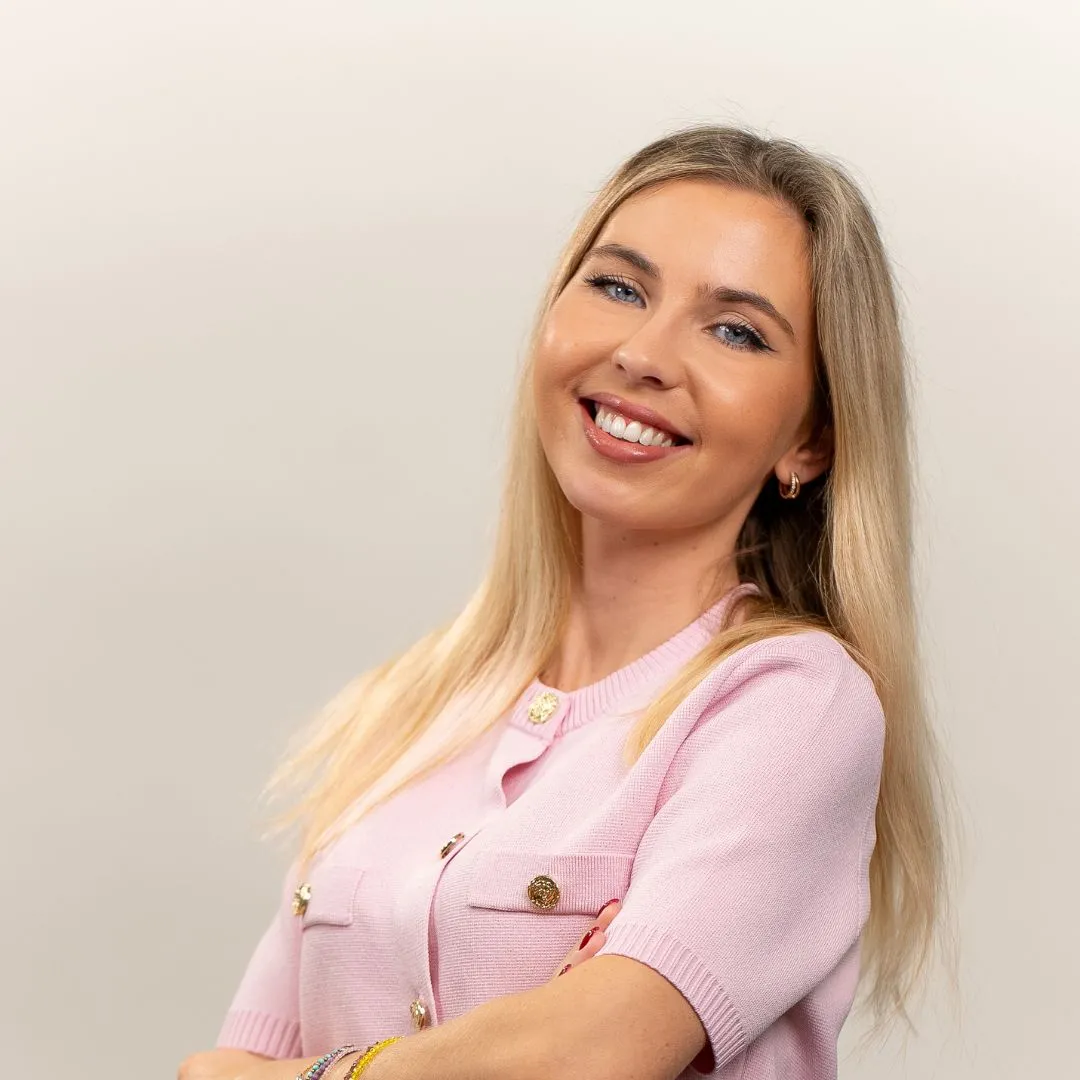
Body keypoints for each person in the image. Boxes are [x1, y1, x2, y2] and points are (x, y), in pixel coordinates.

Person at [179, 123, 948, 1080]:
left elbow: (588, 1056)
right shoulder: (403, 715)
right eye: (619, 287)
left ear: (811, 440)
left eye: (736, 331)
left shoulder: (795, 704)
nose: (644, 353)